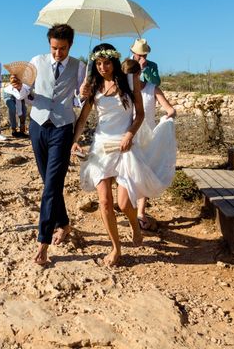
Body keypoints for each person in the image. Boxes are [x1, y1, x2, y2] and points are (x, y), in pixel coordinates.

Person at [72, 44, 169, 267]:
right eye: (98, 63)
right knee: (105, 202)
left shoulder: (127, 81)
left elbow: (140, 113)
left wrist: (129, 134)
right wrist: (74, 141)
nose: (102, 67)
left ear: (114, 62)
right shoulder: (93, 86)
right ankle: (116, 248)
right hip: (101, 147)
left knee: (124, 203)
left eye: (106, 63)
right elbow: (83, 118)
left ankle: (135, 226)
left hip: (125, 146)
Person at [24, 24, 87, 266]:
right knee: (48, 181)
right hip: (38, 126)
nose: (57, 53)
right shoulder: (36, 62)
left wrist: (83, 92)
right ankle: (64, 223)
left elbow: (81, 100)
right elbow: (27, 94)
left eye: (62, 49)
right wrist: (21, 89)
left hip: (62, 128)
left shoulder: (79, 67)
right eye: (53, 48)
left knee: (51, 185)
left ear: (70, 46)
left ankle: (43, 242)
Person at [122, 58, 177, 230]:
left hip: (148, 137)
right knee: (128, 173)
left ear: (139, 74)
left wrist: (167, 118)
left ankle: (140, 213)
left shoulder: (152, 89)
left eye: (132, 76)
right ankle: (128, 208)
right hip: (128, 136)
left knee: (144, 172)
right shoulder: (123, 92)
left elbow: (170, 109)